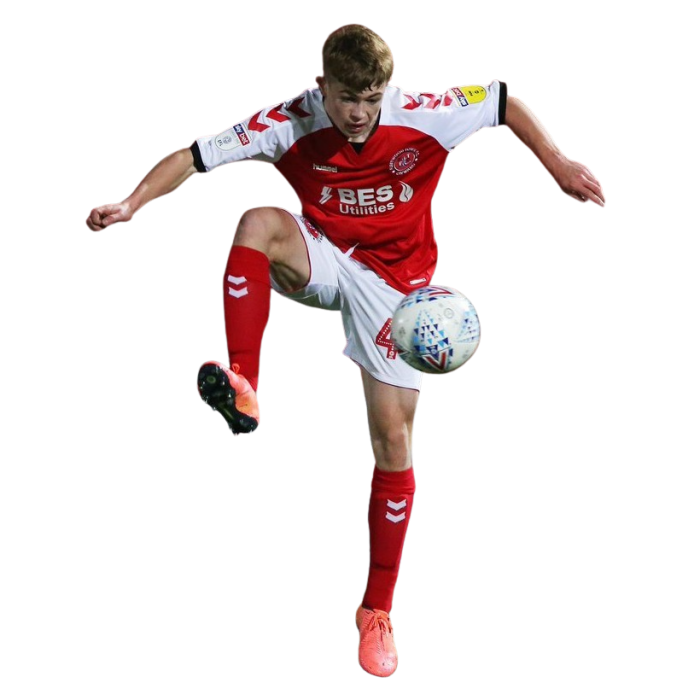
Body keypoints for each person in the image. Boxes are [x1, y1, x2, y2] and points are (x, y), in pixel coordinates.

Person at [85, 24, 606, 678]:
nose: (359, 113)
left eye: (371, 97)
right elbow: (196, 155)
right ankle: (245, 382)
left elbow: (504, 103)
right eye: (346, 97)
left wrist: (558, 163)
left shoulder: (421, 115)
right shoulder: (290, 120)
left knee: (393, 444)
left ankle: (376, 609)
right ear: (321, 86)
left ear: (387, 88)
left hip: (397, 288)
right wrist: (131, 203)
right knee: (255, 222)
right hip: (327, 255)